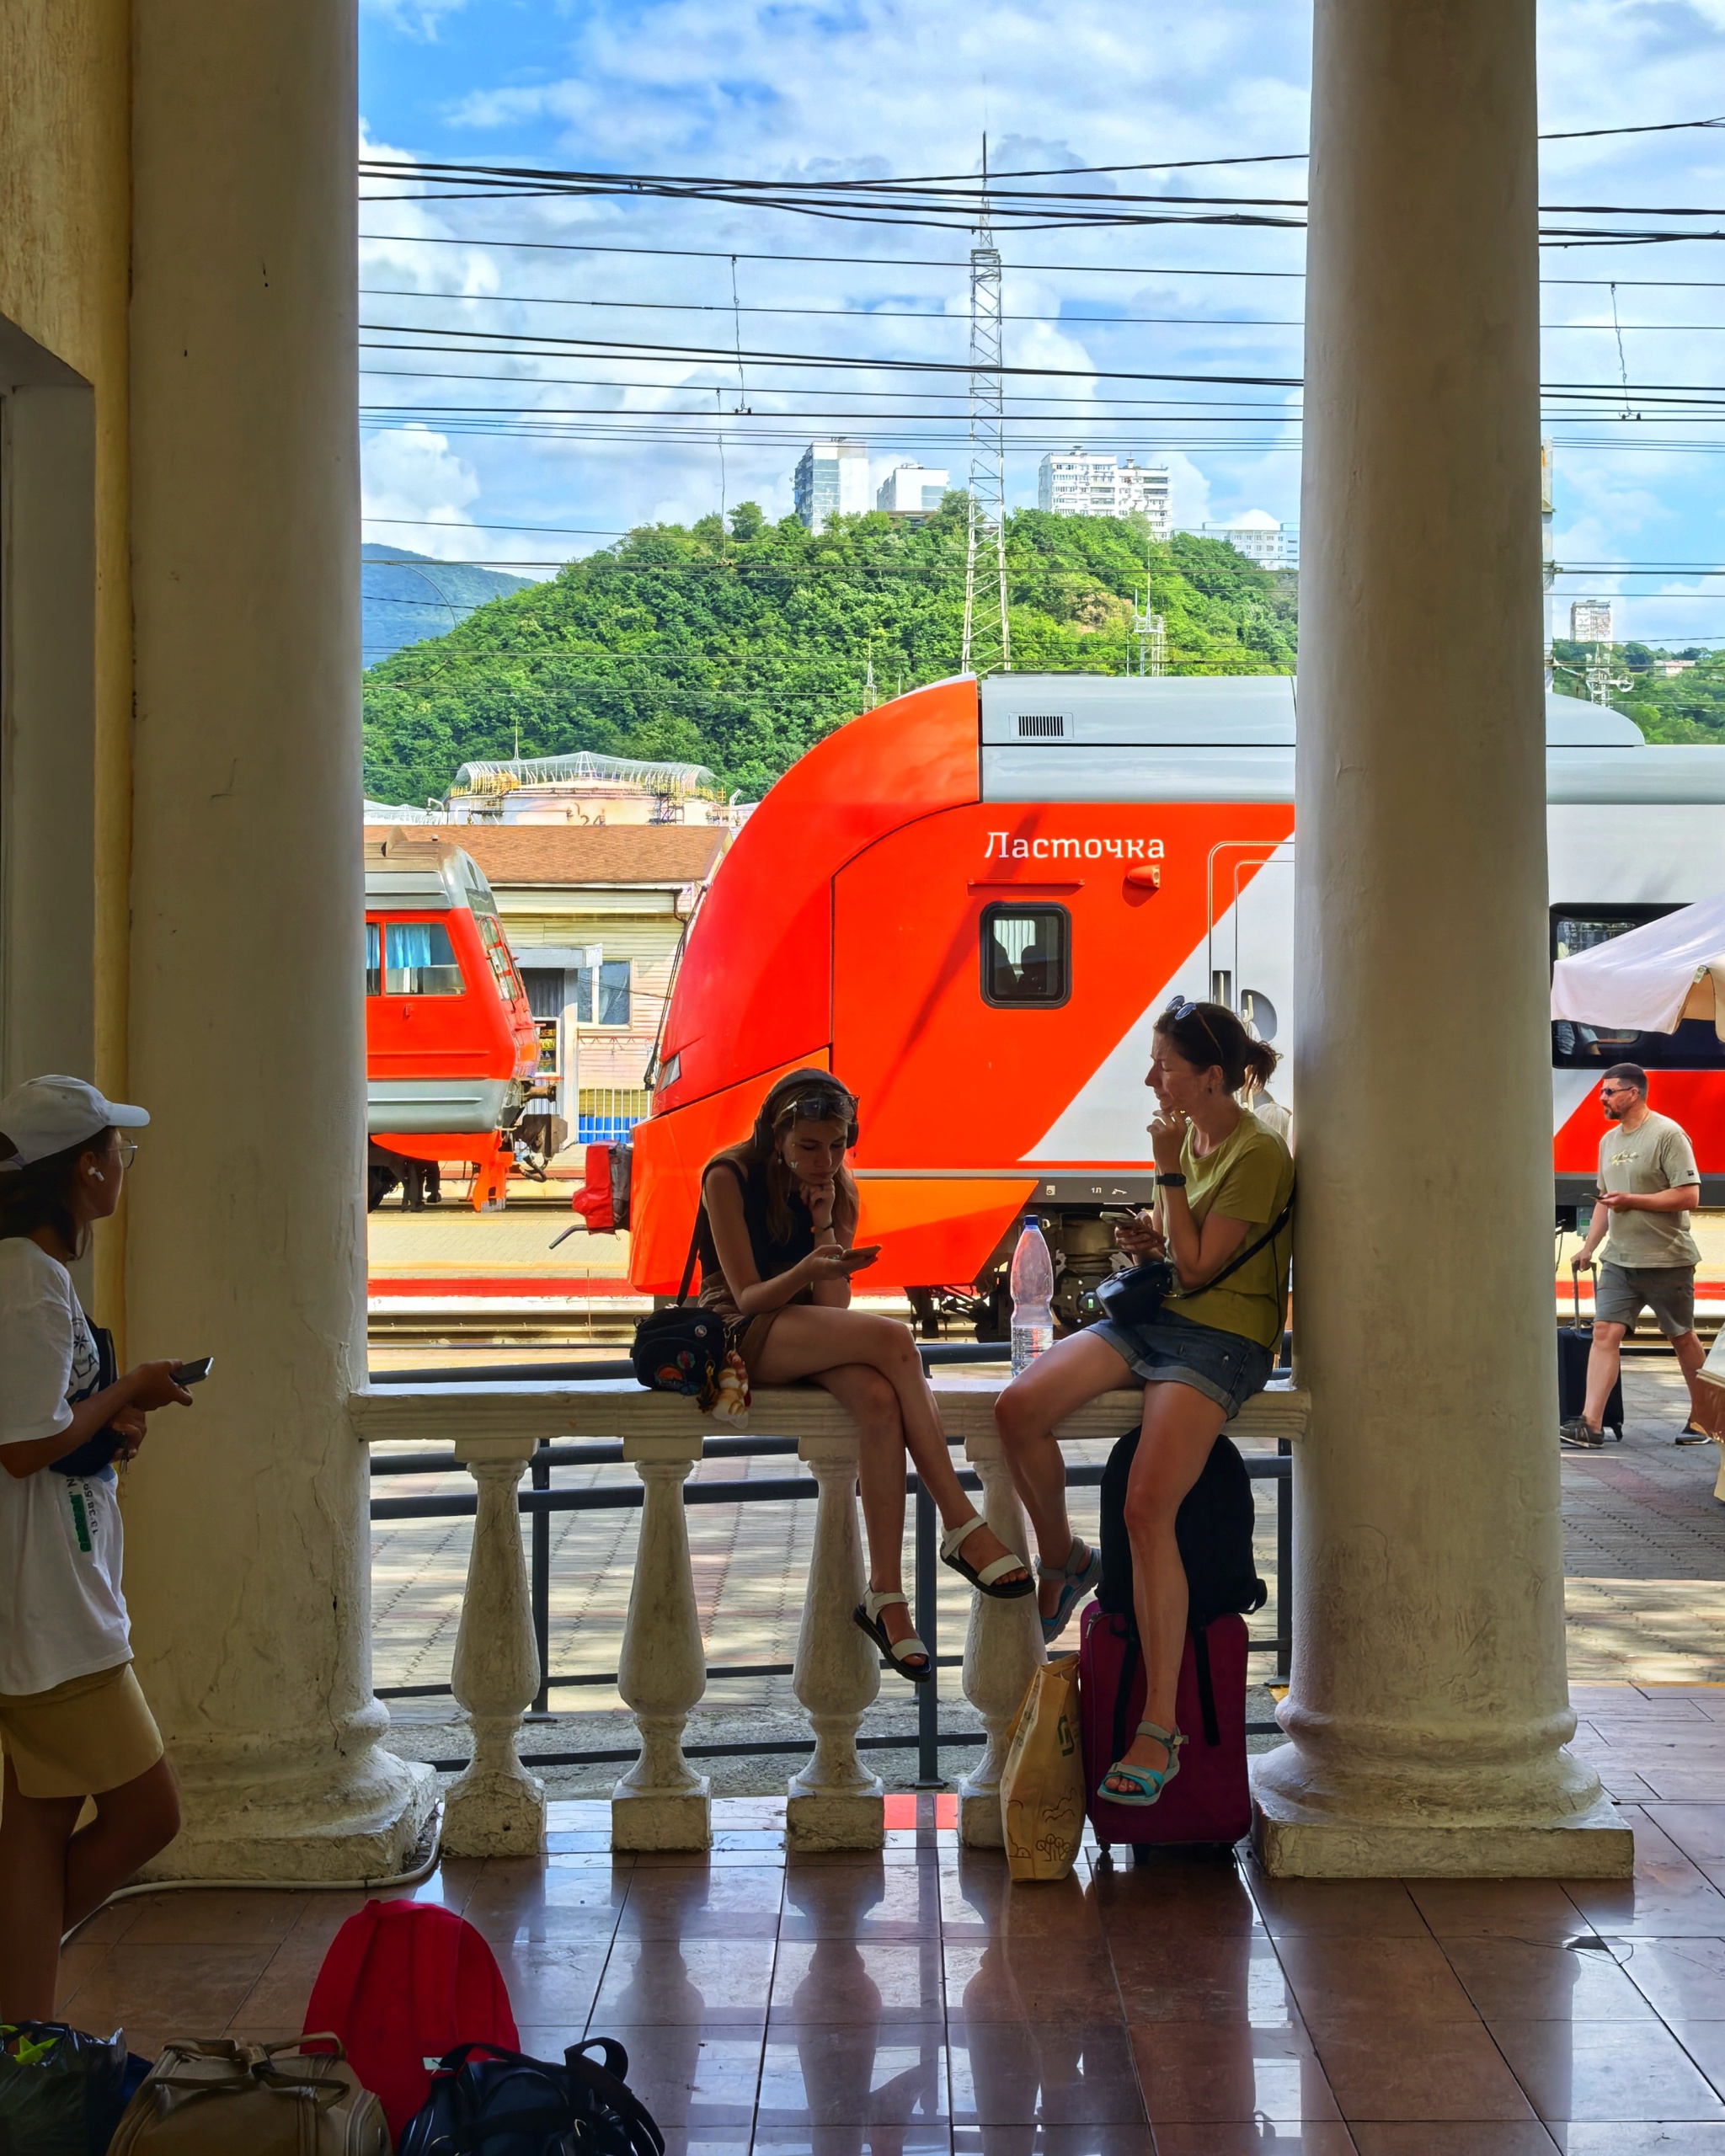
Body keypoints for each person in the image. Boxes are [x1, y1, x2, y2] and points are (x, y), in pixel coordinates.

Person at [995, 1002, 1293, 1809]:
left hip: (1222, 1340)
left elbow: (1203, 1275)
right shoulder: (1190, 1135)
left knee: (1146, 1506)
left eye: (1163, 1062)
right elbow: (1183, 1256)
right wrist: (1150, 1238)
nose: (1151, 1076)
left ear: (1211, 1077)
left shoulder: (1257, 1150)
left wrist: (1164, 1176)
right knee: (1018, 1409)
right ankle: (1064, 1558)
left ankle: (1159, 1727)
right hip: (1162, 1320)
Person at [699, 1069, 1031, 1682]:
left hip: (802, 1328)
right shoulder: (727, 1175)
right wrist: (809, 1265)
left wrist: (824, 1222)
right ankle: (960, 1521)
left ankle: (886, 1597)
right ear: (777, 1137)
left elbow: (832, 1310)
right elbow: (746, 1297)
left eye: (837, 1145)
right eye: (809, 1147)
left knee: (879, 1401)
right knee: (897, 1339)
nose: (825, 1160)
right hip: (735, 1333)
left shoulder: (838, 1190)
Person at [0, 1075, 193, 2020]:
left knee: (35, 1825)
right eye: (117, 1150)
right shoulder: (30, 1286)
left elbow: (48, 1432)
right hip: (51, 1612)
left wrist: (109, 1426)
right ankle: (9, 1991)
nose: (123, 1166)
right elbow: (22, 1444)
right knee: (148, 1814)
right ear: (83, 1168)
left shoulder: (35, 1275)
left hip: (51, 1593)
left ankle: (19, 2033)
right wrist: (129, 1393)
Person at [1562, 1062, 1708, 1449]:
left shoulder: (1667, 1134)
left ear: (1634, 1093)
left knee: (1681, 1337)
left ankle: (1706, 1418)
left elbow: (1690, 1196)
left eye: (1609, 1092)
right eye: (1602, 1092)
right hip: (1619, 1261)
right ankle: (1590, 1424)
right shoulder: (1607, 1142)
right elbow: (1604, 1202)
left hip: (1667, 1259)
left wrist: (1632, 1201)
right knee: (1604, 1331)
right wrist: (1589, 1247)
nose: (1602, 1098)